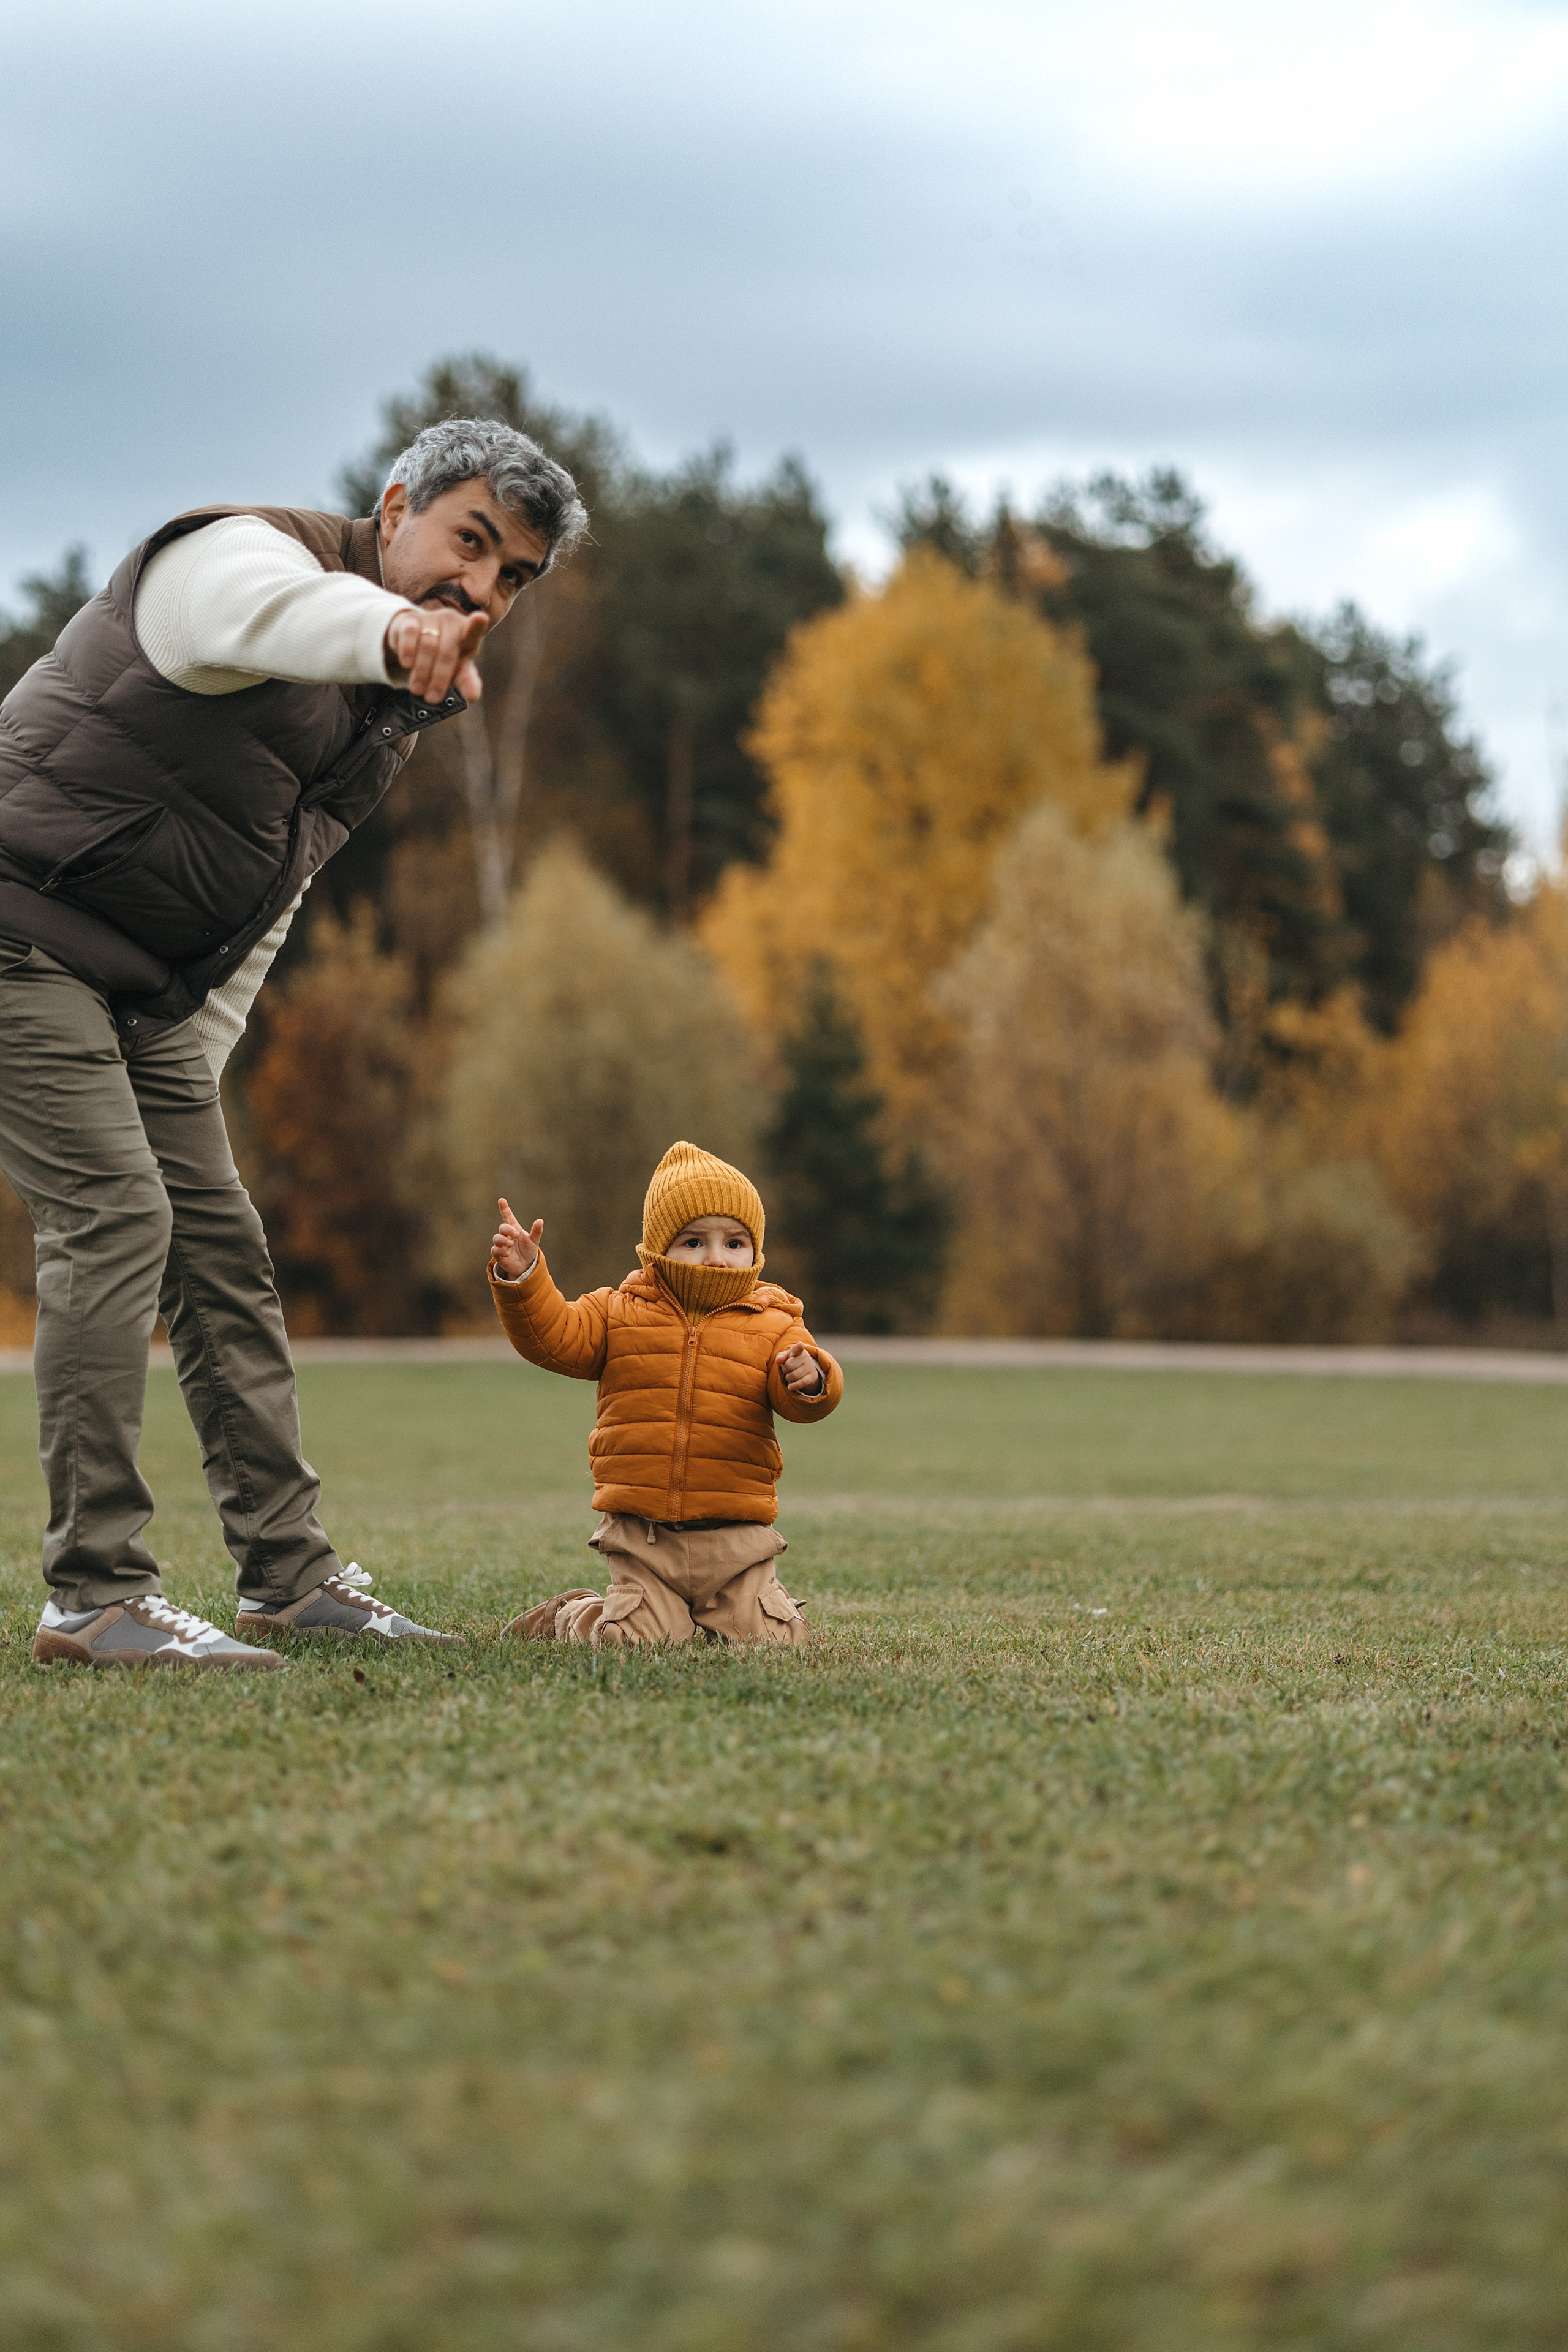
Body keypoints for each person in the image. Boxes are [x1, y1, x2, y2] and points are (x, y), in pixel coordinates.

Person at [4, 418, 587, 1671]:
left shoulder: (383, 711)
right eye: (468, 543)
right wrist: (392, 634)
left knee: (219, 1242)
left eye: (512, 578)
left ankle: (288, 1577)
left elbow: (268, 905)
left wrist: (194, 1069)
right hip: (17, 932)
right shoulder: (227, 559)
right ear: (394, 508)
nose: (478, 589)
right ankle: (94, 1599)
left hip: (143, 992)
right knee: (114, 1217)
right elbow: (273, 616)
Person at [488, 1140, 843, 1648]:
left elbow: (803, 1400)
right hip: (645, 1536)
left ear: (756, 1249)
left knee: (780, 1643)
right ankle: (574, 1615)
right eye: (694, 1242)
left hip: (736, 1538)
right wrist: (524, 1278)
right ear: (658, 1247)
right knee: (631, 1642)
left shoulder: (776, 1321)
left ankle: (736, 1612)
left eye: (735, 1242)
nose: (717, 1258)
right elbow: (554, 1337)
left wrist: (811, 1379)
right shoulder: (618, 1311)